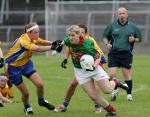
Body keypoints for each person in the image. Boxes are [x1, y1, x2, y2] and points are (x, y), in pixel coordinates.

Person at [55, 25, 128, 116]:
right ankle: (111, 110)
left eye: (73, 35)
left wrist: (94, 66)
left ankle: (115, 82)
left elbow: (98, 57)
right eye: (69, 35)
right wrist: (60, 45)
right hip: (80, 71)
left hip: (94, 68)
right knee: (93, 96)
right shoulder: (69, 40)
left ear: (79, 35)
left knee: (107, 90)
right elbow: (64, 41)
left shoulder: (87, 44)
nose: (70, 37)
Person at [4, 23, 61, 115]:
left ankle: (41, 101)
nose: (38, 34)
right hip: (13, 68)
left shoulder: (32, 37)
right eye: (36, 32)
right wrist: (52, 47)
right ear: (29, 33)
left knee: (40, 84)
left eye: (38, 32)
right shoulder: (23, 41)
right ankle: (26, 107)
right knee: (26, 93)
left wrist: (53, 42)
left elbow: (41, 41)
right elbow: (38, 48)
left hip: (26, 64)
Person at [54, 24, 106, 113]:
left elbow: (98, 54)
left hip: (95, 62)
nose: (80, 34)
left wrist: (95, 65)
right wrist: (65, 59)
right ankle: (64, 105)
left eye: (82, 32)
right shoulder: (72, 39)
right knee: (73, 84)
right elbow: (69, 47)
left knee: (93, 84)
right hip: (81, 66)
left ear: (85, 34)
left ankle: (97, 105)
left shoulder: (89, 41)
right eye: (79, 32)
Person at [103, 7, 142, 101]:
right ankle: (115, 89)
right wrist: (107, 44)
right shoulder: (112, 26)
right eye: (120, 13)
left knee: (126, 74)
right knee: (111, 75)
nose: (122, 15)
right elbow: (105, 36)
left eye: (123, 13)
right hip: (114, 53)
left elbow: (139, 39)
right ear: (117, 15)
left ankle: (129, 94)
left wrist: (134, 39)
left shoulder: (133, 27)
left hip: (126, 53)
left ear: (127, 14)